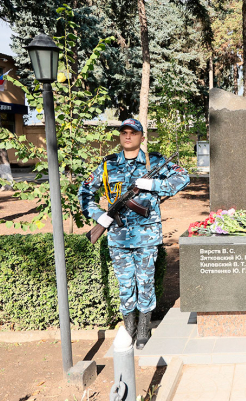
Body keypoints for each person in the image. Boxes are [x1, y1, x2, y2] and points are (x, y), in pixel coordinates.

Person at [78, 118, 190, 349]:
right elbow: (84, 191)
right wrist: (98, 215)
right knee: (125, 284)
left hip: (146, 237)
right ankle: (129, 327)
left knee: (145, 282)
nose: (128, 136)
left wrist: (154, 185)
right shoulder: (108, 164)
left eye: (133, 132)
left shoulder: (155, 162)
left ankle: (143, 329)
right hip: (118, 237)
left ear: (142, 137)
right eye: (124, 132)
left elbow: (183, 177)